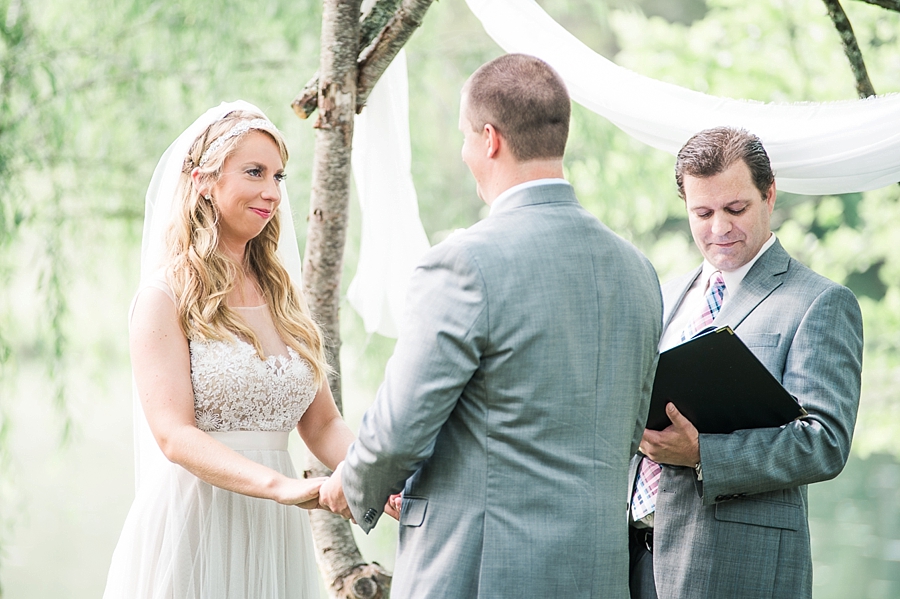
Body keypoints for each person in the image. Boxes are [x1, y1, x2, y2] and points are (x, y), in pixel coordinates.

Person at [318, 53, 663, 598]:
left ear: (489, 139)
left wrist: (353, 482)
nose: (463, 152)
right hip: (598, 576)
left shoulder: (463, 264)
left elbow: (397, 430)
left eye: (464, 137)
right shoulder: (638, 272)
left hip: (483, 575)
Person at [103, 101, 355, 598]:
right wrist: (281, 487)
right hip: (196, 523)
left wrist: (373, 472)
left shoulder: (284, 297)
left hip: (277, 528)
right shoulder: (164, 297)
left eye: (279, 177)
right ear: (203, 180)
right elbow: (174, 435)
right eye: (255, 172)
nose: (271, 192)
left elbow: (323, 424)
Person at [627, 126, 863, 599]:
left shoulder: (820, 302)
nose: (719, 228)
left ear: (769, 195)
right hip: (629, 559)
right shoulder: (665, 293)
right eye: (703, 212)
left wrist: (702, 455)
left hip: (734, 569)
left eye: (736, 209)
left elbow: (826, 442)